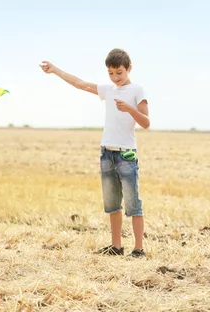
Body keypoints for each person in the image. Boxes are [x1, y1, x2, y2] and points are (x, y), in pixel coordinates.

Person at [41, 48, 150, 257]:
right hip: (106, 152)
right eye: (110, 73)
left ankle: (139, 249)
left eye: (119, 72)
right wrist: (55, 70)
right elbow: (80, 84)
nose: (115, 77)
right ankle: (116, 247)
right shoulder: (108, 90)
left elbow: (146, 122)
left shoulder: (137, 90)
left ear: (129, 68)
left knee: (133, 203)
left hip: (126, 154)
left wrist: (130, 109)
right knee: (112, 204)